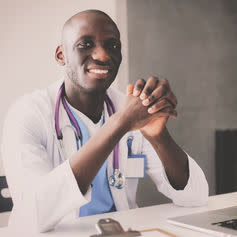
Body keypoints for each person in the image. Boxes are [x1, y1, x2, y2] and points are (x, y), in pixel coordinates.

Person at [1, 9, 208, 233]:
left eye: (113, 45)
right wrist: (120, 124)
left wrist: (158, 136)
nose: (102, 55)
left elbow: (195, 196)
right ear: (61, 55)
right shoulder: (28, 113)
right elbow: (34, 213)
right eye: (85, 44)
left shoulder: (129, 108)